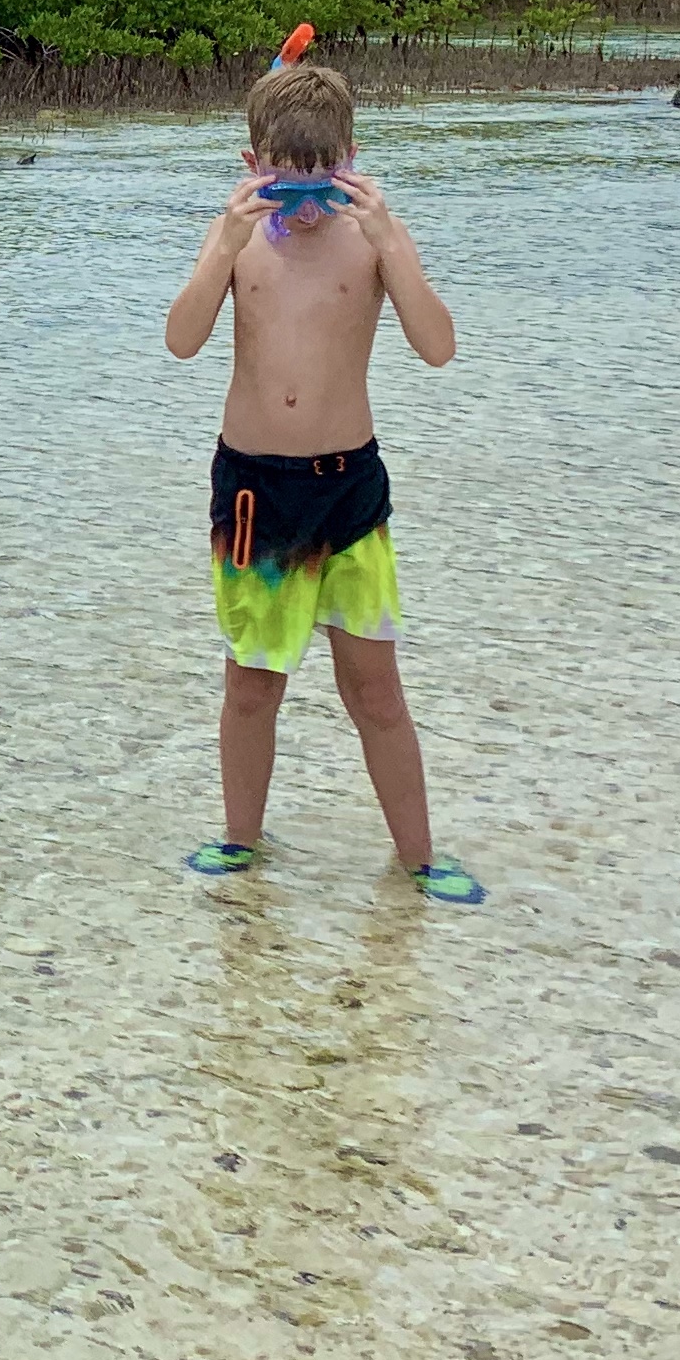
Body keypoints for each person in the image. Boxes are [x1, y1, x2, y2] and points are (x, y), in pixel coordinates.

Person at [159, 55, 483, 904]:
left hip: (349, 490)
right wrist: (224, 248)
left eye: (324, 188)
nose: (306, 209)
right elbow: (181, 341)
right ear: (252, 166)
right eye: (286, 188)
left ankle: (419, 858)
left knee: (375, 688)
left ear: (352, 163)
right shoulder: (234, 240)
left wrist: (392, 245)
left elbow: (438, 348)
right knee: (252, 681)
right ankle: (241, 841)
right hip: (255, 491)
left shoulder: (373, 240)